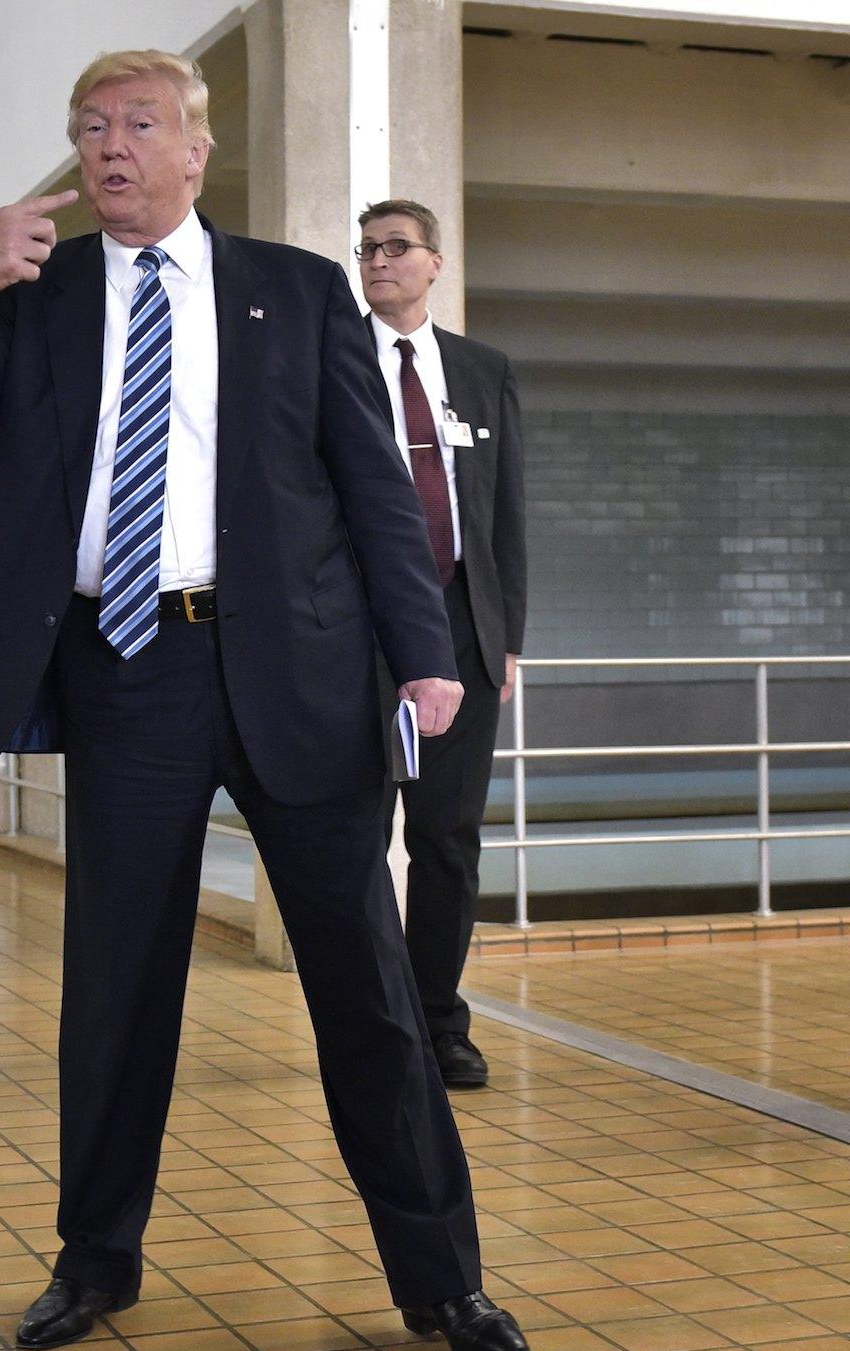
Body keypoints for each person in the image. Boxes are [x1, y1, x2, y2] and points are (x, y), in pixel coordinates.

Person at [0, 49, 527, 1351]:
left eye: (138, 123)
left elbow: (374, 496)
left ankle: (441, 1277)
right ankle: (95, 1258)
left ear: (194, 151)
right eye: (88, 127)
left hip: (300, 670)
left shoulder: (296, 294)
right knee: (116, 985)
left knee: (371, 988)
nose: (109, 143)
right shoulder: (37, 292)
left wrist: (425, 653)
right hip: (129, 671)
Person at [359, 198, 528, 1091]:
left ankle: (438, 1022)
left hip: (461, 628)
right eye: (368, 249)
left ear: (435, 263)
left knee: (448, 837)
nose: (379, 261)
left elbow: (505, 520)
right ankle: (370, 1023)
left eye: (397, 248)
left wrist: (506, 640)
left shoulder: (482, 370)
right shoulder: (329, 359)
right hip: (353, 631)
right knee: (350, 836)